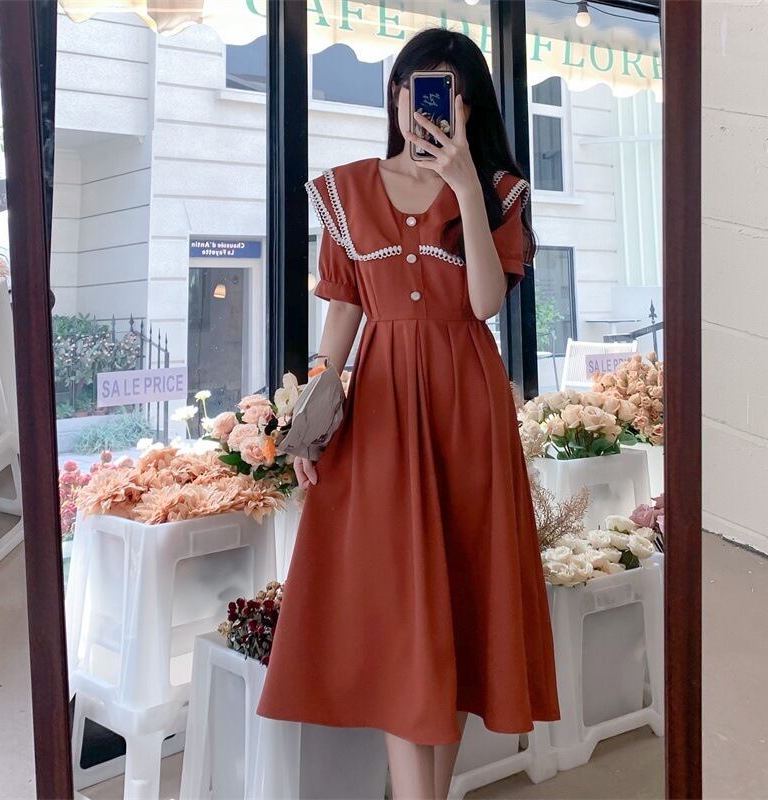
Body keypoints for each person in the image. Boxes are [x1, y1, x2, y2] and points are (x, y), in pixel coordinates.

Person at [257, 28, 561, 800]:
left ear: (468, 108)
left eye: (446, 93)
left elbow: (485, 304)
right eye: (414, 87)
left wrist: (465, 187)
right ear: (393, 94)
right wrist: (312, 418)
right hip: (385, 413)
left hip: (468, 412)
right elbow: (342, 314)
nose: (425, 106)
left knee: (456, 602)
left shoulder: (496, 192)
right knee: (402, 611)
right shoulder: (347, 190)